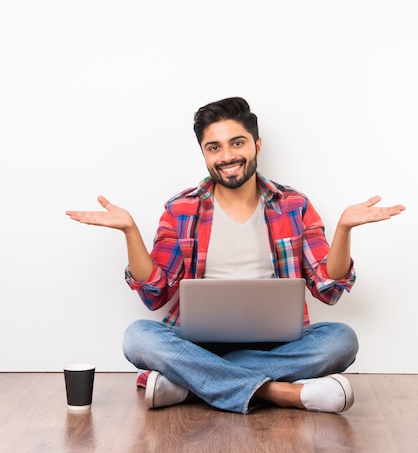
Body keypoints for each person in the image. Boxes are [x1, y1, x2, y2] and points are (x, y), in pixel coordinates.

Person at [66, 97, 406, 415]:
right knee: (138, 337)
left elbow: (327, 289)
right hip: (197, 344)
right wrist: (130, 231)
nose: (227, 156)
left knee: (341, 340)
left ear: (257, 145)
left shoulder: (294, 205)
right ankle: (280, 392)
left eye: (237, 143)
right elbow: (156, 296)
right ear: (203, 153)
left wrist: (344, 229)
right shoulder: (182, 208)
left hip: (272, 348)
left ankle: (189, 385)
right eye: (214, 147)